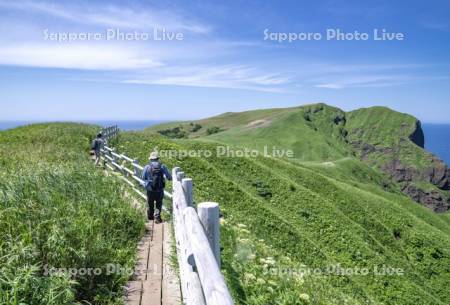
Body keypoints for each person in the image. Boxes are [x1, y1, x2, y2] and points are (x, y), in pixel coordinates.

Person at [142, 152, 172, 223]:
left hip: (150, 189)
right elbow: (169, 177)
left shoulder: (147, 167)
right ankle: (157, 217)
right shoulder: (162, 166)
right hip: (159, 189)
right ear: (158, 158)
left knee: (150, 203)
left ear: (150, 159)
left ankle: (150, 217)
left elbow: (143, 177)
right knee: (159, 203)